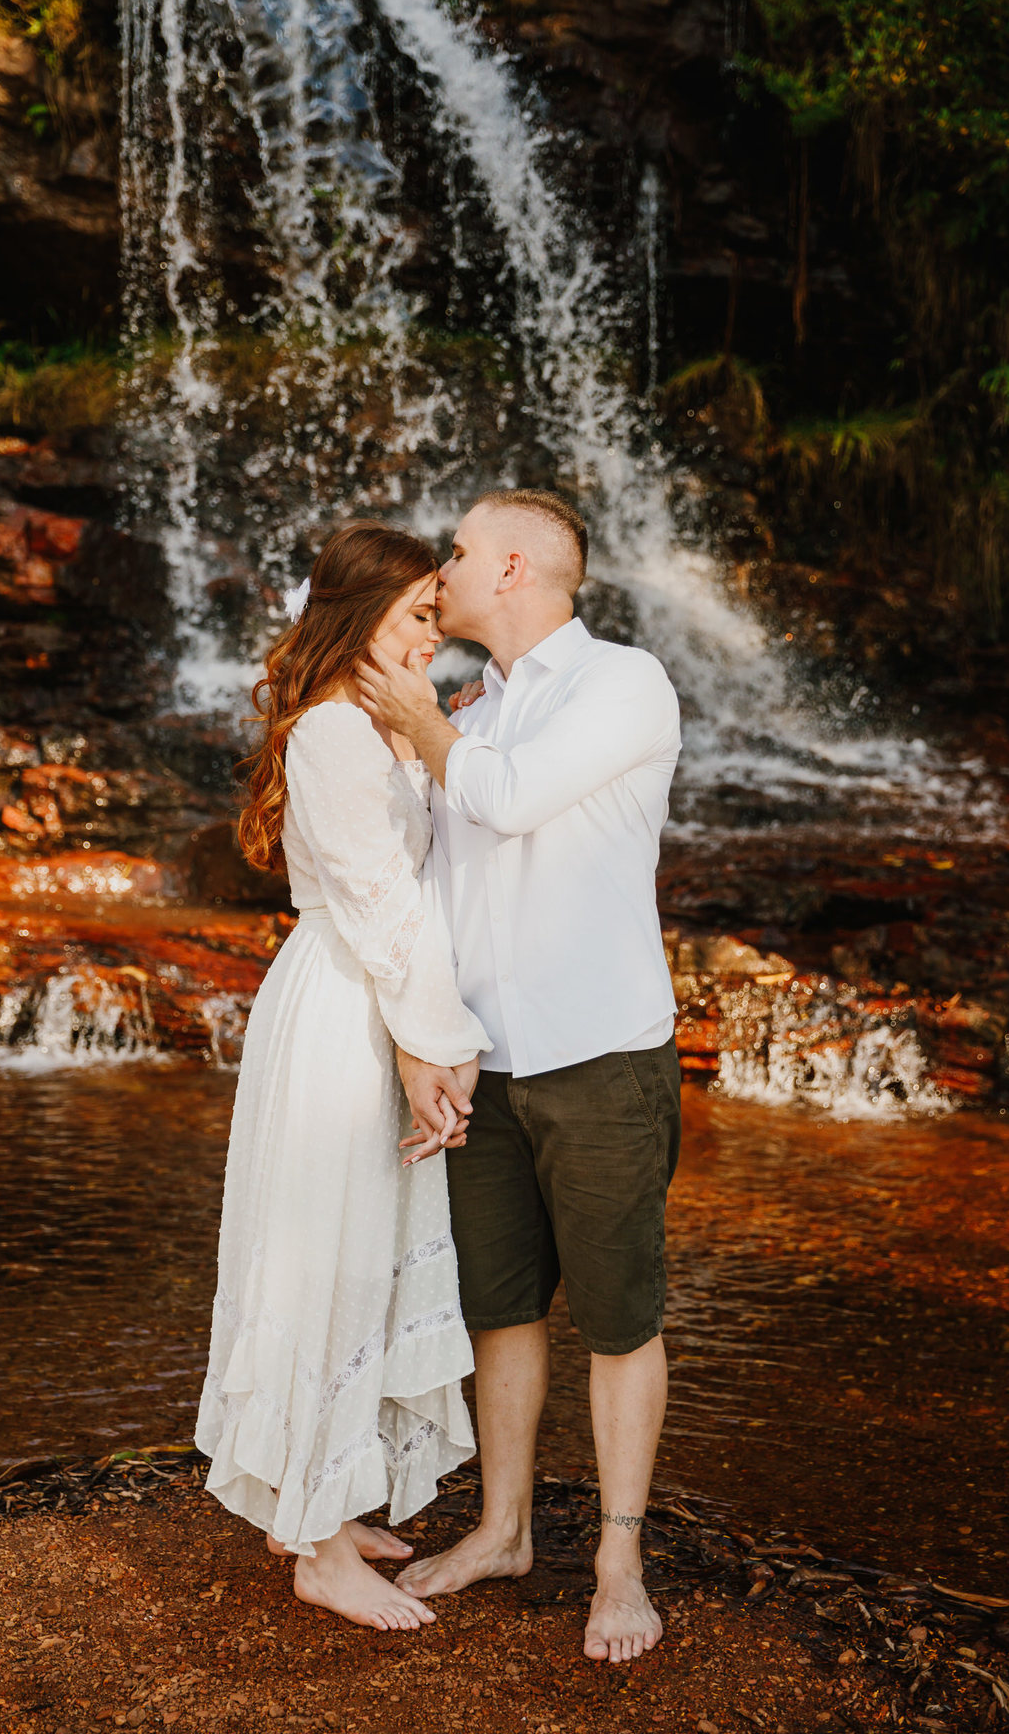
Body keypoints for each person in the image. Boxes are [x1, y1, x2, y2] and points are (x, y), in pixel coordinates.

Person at [356, 486, 682, 1665]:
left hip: (601, 1057)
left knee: (617, 1317)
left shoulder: (623, 685)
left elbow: (507, 800)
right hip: (487, 1065)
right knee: (499, 1307)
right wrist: (427, 1041)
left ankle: (618, 1561)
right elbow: (442, 884)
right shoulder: (477, 702)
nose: (438, 569)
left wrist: (425, 727)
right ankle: (502, 1529)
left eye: (453, 551)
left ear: (509, 569)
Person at [195, 520, 492, 1633]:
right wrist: (434, 1047)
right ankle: (316, 1548)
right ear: (361, 617)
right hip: (343, 1011)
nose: (437, 635)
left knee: (364, 1253)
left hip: (376, 1000)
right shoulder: (329, 733)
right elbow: (379, 903)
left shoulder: (381, 728)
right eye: (421, 614)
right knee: (327, 1257)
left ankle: (318, 1498)